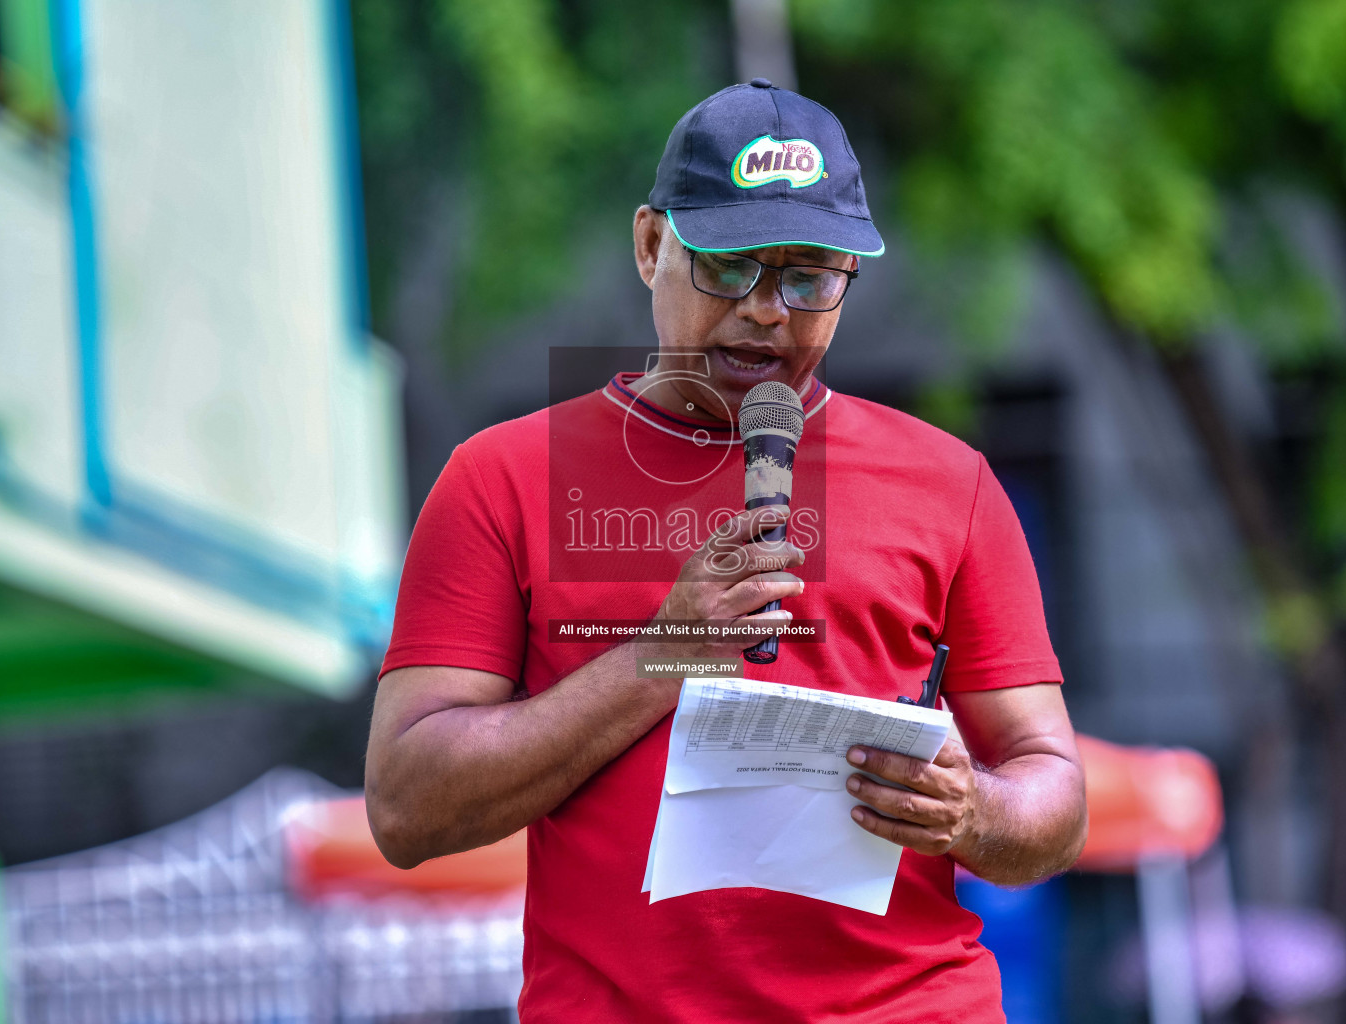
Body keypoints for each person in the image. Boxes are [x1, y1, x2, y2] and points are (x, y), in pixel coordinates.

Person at [366, 79, 1087, 1023]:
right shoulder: (500, 478)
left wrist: (977, 812)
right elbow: (405, 808)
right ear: (649, 245)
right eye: (729, 266)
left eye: (809, 277)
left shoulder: (951, 484)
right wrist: (660, 656)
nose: (766, 311)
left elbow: (1055, 795)